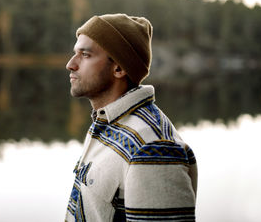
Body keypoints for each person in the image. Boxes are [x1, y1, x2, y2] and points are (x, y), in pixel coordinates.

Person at [64, 14, 198, 222]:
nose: (71, 64)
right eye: (75, 53)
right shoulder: (107, 124)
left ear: (119, 68)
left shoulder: (154, 149)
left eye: (86, 55)